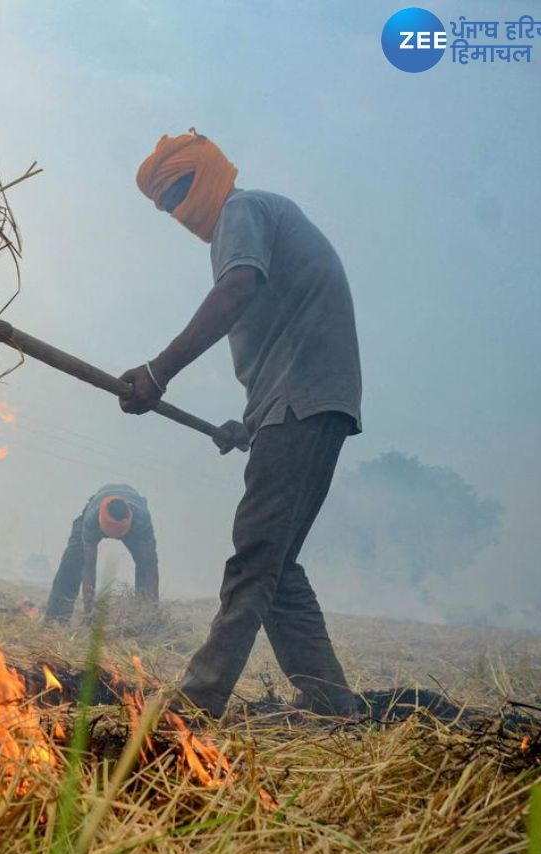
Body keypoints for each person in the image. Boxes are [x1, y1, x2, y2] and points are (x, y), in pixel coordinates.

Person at [120, 129, 362, 718]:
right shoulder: (256, 216)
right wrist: (248, 425)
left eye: (180, 189)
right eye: (166, 203)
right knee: (276, 565)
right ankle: (333, 704)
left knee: (255, 556)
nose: (178, 209)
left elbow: (236, 292)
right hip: (298, 406)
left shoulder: (242, 210)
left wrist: (159, 370)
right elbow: (286, 335)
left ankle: (196, 702)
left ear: (208, 172)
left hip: (301, 405)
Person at [44, 484, 158, 623]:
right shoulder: (91, 521)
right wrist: (89, 612)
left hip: (134, 520)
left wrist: (152, 612)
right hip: (96, 509)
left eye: (119, 534)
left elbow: (151, 566)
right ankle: (55, 619)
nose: (116, 538)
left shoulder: (141, 521)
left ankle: (143, 618)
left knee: (145, 567)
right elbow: (89, 567)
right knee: (72, 560)